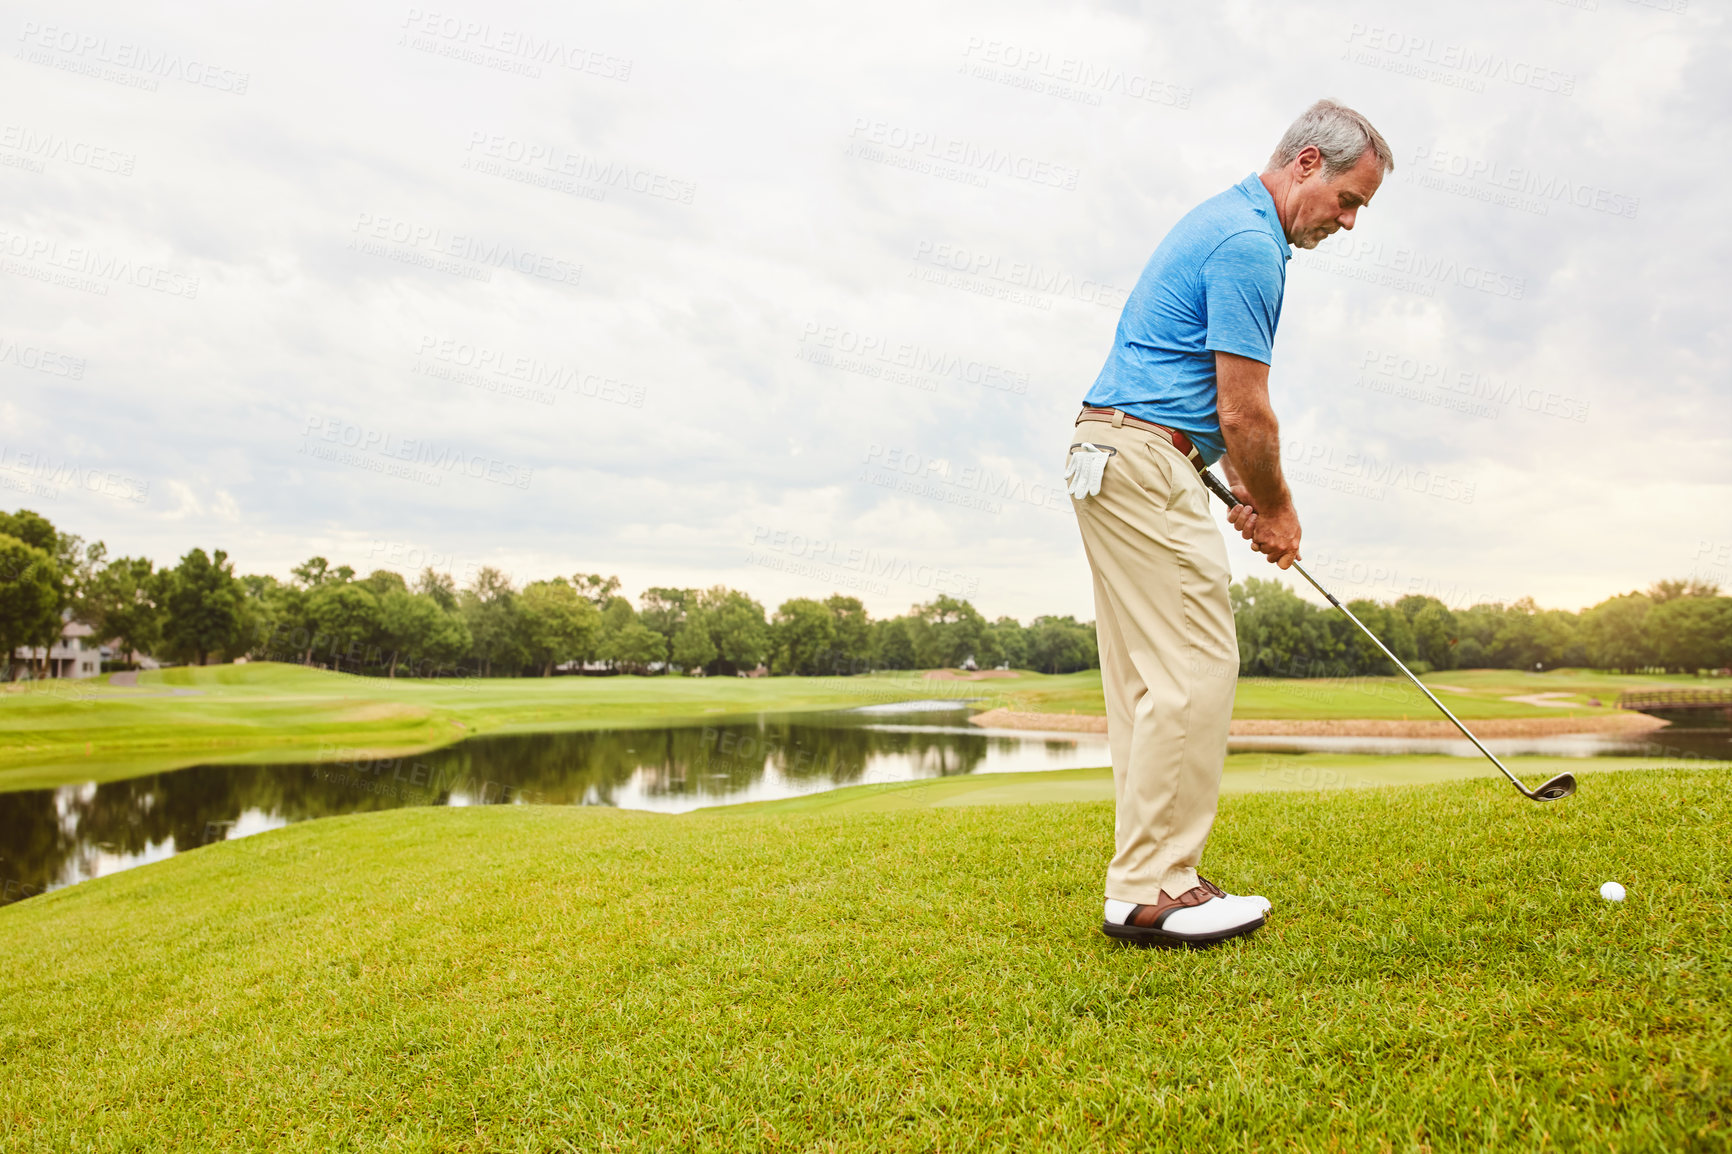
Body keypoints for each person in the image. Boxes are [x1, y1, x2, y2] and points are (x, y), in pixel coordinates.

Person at [1064, 99, 1393, 948]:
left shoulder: (1225, 219)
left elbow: (1192, 403)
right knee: (1195, 668)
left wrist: (1234, 485)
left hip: (1115, 451)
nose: (1350, 223)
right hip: (1142, 457)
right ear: (1308, 163)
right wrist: (1277, 509)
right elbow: (1246, 413)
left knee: (1148, 682)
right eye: (1350, 200)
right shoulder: (1250, 243)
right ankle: (1148, 893)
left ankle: (1161, 877)